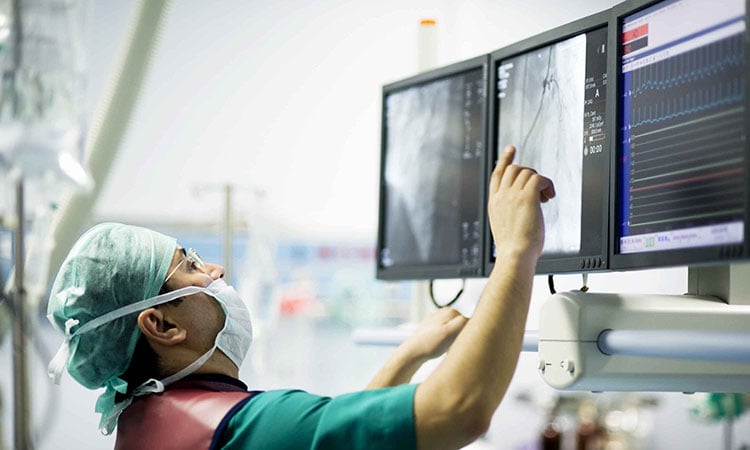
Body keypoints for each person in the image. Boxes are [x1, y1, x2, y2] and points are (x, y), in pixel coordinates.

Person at [47, 145, 554, 450]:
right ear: (160, 326)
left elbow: (334, 437)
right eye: (193, 267)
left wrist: (410, 354)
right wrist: (514, 251)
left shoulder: (148, 418)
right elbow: (459, 410)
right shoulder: (241, 428)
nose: (217, 269)